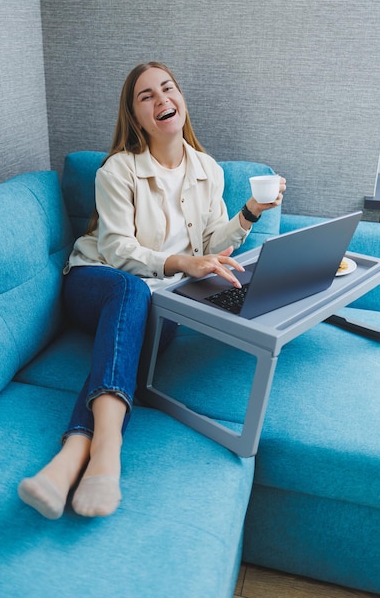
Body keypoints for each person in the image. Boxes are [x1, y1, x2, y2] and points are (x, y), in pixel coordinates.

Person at [18, 61, 286, 520]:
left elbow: (208, 243)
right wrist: (181, 262)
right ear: (136, 115)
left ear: (181, 100)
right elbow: (116, 248)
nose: (162, 99)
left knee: (152, 326)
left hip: (159, 295)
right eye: (147, 96)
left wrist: (250, 212)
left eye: (168, 89)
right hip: (97, 281)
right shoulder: (117, 171)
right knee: (134, 295)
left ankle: (69, 458)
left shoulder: (208, 169)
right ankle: (107, 454)